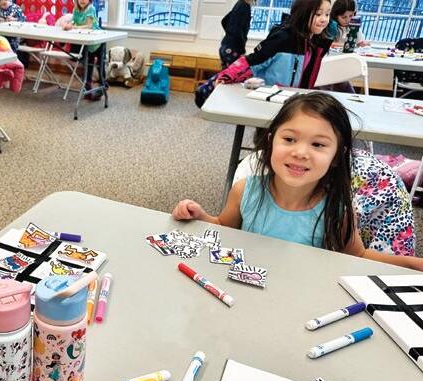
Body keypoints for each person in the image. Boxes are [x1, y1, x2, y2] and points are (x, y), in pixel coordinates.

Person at [173, 92, 423, 270]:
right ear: (271, 141)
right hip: (242, 289)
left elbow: (357, 256)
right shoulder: (244, 190)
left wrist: (413, 264)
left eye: (318, 144)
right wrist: (200, 216)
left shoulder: (338, 210)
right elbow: (223, 229)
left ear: (337, 156)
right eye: (289, 139)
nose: (300, 152)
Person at [196, 0, 333, 108]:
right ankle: (205, 91)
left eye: (327, 14)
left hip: (291, 99)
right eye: (318, 14)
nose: (324, 19)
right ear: (302, 15)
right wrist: (227, 76)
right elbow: (253, 61)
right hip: (270, 97)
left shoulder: (314, 41)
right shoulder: (283, 38)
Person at [63, 0, 104, 101]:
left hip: (96, 41)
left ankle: (103, 84)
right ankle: (87, 88)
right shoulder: (76, 9)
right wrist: (69, 25)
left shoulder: (90, 9)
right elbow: (74, 21)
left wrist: (74, 27)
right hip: (85, 41)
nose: (82, 0)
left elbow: (89, 26)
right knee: (87, 66)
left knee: (99, 65)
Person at [219, 0, 264, 69]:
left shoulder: (240, 3)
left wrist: (229, 37)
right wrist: (241, 50)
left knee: (225, 74)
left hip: (226, 47)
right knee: (230, 76)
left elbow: (225, 21)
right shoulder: (244, 6)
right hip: (233, 50)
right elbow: (238, 31)